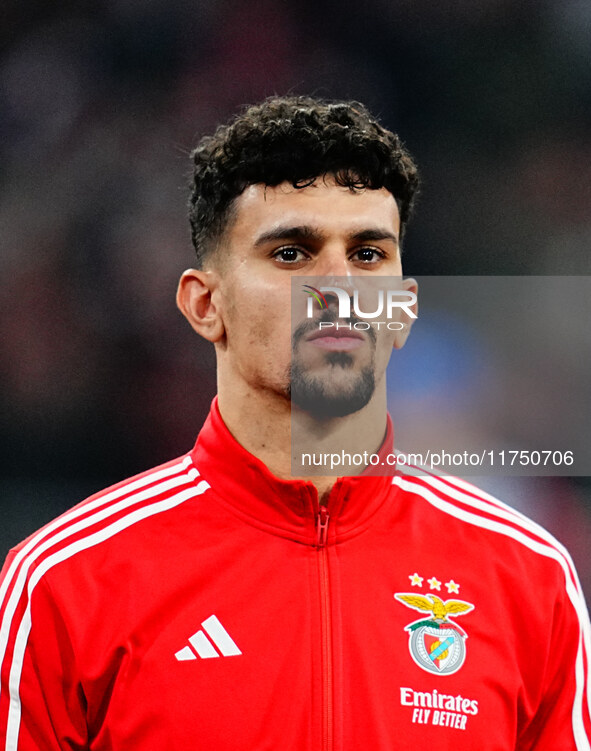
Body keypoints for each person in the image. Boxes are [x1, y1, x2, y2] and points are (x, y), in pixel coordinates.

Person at [0, 96, 589, 750]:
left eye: (367, 255)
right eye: (290, 253)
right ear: (204, 303)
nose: (336, 285)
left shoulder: (527, 576)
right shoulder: (67, 582)